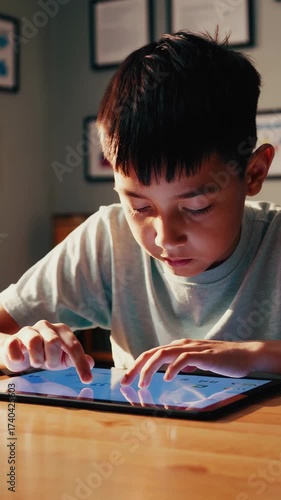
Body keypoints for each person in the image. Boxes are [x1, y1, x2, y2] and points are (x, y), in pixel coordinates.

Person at [0, 31, 280, 390]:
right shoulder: (109, 239)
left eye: (197, 206)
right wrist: (14, 348)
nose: (166, 238)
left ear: (254, 173)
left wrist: (253, 355)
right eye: (139, 206)